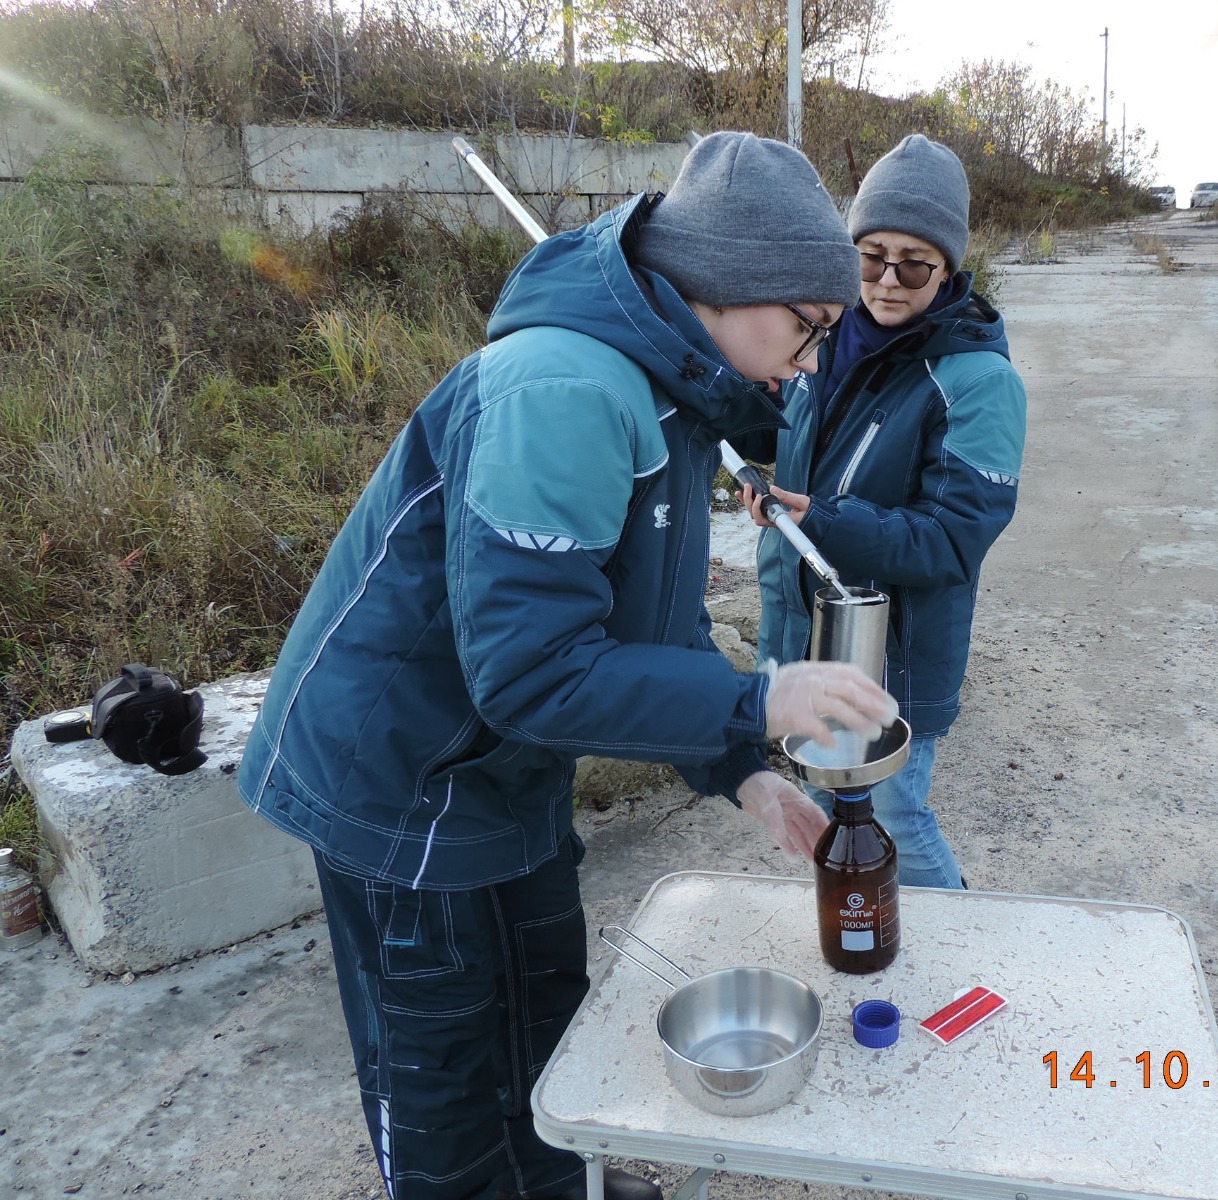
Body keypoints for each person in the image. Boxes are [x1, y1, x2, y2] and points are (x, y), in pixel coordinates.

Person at [236, 132, 897, 1200]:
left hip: (503, 767)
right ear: (730, 286)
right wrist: (761, 698)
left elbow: (646, 621)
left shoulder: (676, 399)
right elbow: (532, 672)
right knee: (443, 1063)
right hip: (405, 780)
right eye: (812, 328)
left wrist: (740, 767)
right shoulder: (561, 390)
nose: (813, 360)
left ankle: (555, 1183)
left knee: (546, 1011)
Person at [739, 134, 1027, 890]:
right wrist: (766, 488)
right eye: (871, 255)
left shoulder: (978, 382)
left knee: (893, 815)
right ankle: (860, 940)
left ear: (950, 266)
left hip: (891, 659)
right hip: (805, 643)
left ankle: (968, 950)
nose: (888, 281)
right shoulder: (820, 338)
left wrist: (823, 519)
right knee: (819, 809)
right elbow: (778, 435)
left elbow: (951, 540)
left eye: (915, 263)